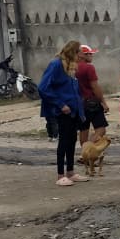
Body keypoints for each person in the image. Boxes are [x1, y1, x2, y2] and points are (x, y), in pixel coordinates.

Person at [38, 40, 87, 186]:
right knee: (64, 141)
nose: (82, 56)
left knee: (72, 140)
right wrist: (60, 104)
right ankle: (60, 175)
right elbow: (43, 88)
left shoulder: (71, 67)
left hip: (73, 110)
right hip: (62, 110)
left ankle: (70, 172)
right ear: (74, 52)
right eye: (80, 53)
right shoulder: (56, 64)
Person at [75, 44, 107, 146]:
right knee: (101, 129)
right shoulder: (89, 68)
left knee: (83, 130)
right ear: (83, 55)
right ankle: (88, 149)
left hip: (78, 103)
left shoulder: (72, 67)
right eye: (89, 54)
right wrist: (103, 102)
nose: (91, 56)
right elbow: (95, 87)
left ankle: (83, 154)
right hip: (91, 102)